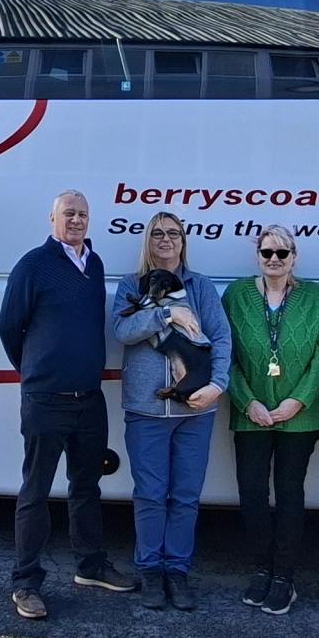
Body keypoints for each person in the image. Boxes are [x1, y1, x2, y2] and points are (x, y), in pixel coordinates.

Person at [0, 190, 142, 620]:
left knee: (86, 488)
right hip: (45, 399)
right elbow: (8, 326)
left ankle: (90, 567)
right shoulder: (33, 265)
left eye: (82, 214)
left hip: (89, 401)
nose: (76, 221)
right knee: (36, 491)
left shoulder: (93, 265)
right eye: (68, 214)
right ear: (52, 219)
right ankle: (25, 583)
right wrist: (35, 370)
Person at [112, 211, 233, 609]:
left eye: (174, 234)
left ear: (184, 241)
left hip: (196, 411)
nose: (166, 240)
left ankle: (177, 572)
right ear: (148, 240)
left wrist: (217, 385)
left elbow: (220, 337)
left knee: (185, 495)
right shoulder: (132, 286)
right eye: (158, 233)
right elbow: (122, 331)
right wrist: (166, 313)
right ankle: (150, 571)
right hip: (147, 409)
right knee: (150, 493)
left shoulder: (201, 286)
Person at [222, 225, 319, 614]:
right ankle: (260, 570)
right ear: (257, 255)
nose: (274, 259)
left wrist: (297, 402)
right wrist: (247, 400)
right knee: (251, 492)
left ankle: (284, 577)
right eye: (267, 252)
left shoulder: (314, 296)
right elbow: (226, 355)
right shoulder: (236, 295)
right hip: (250, 413)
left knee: (289, 494)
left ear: (294, 258)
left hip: (299, 418)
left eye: (282, 253)